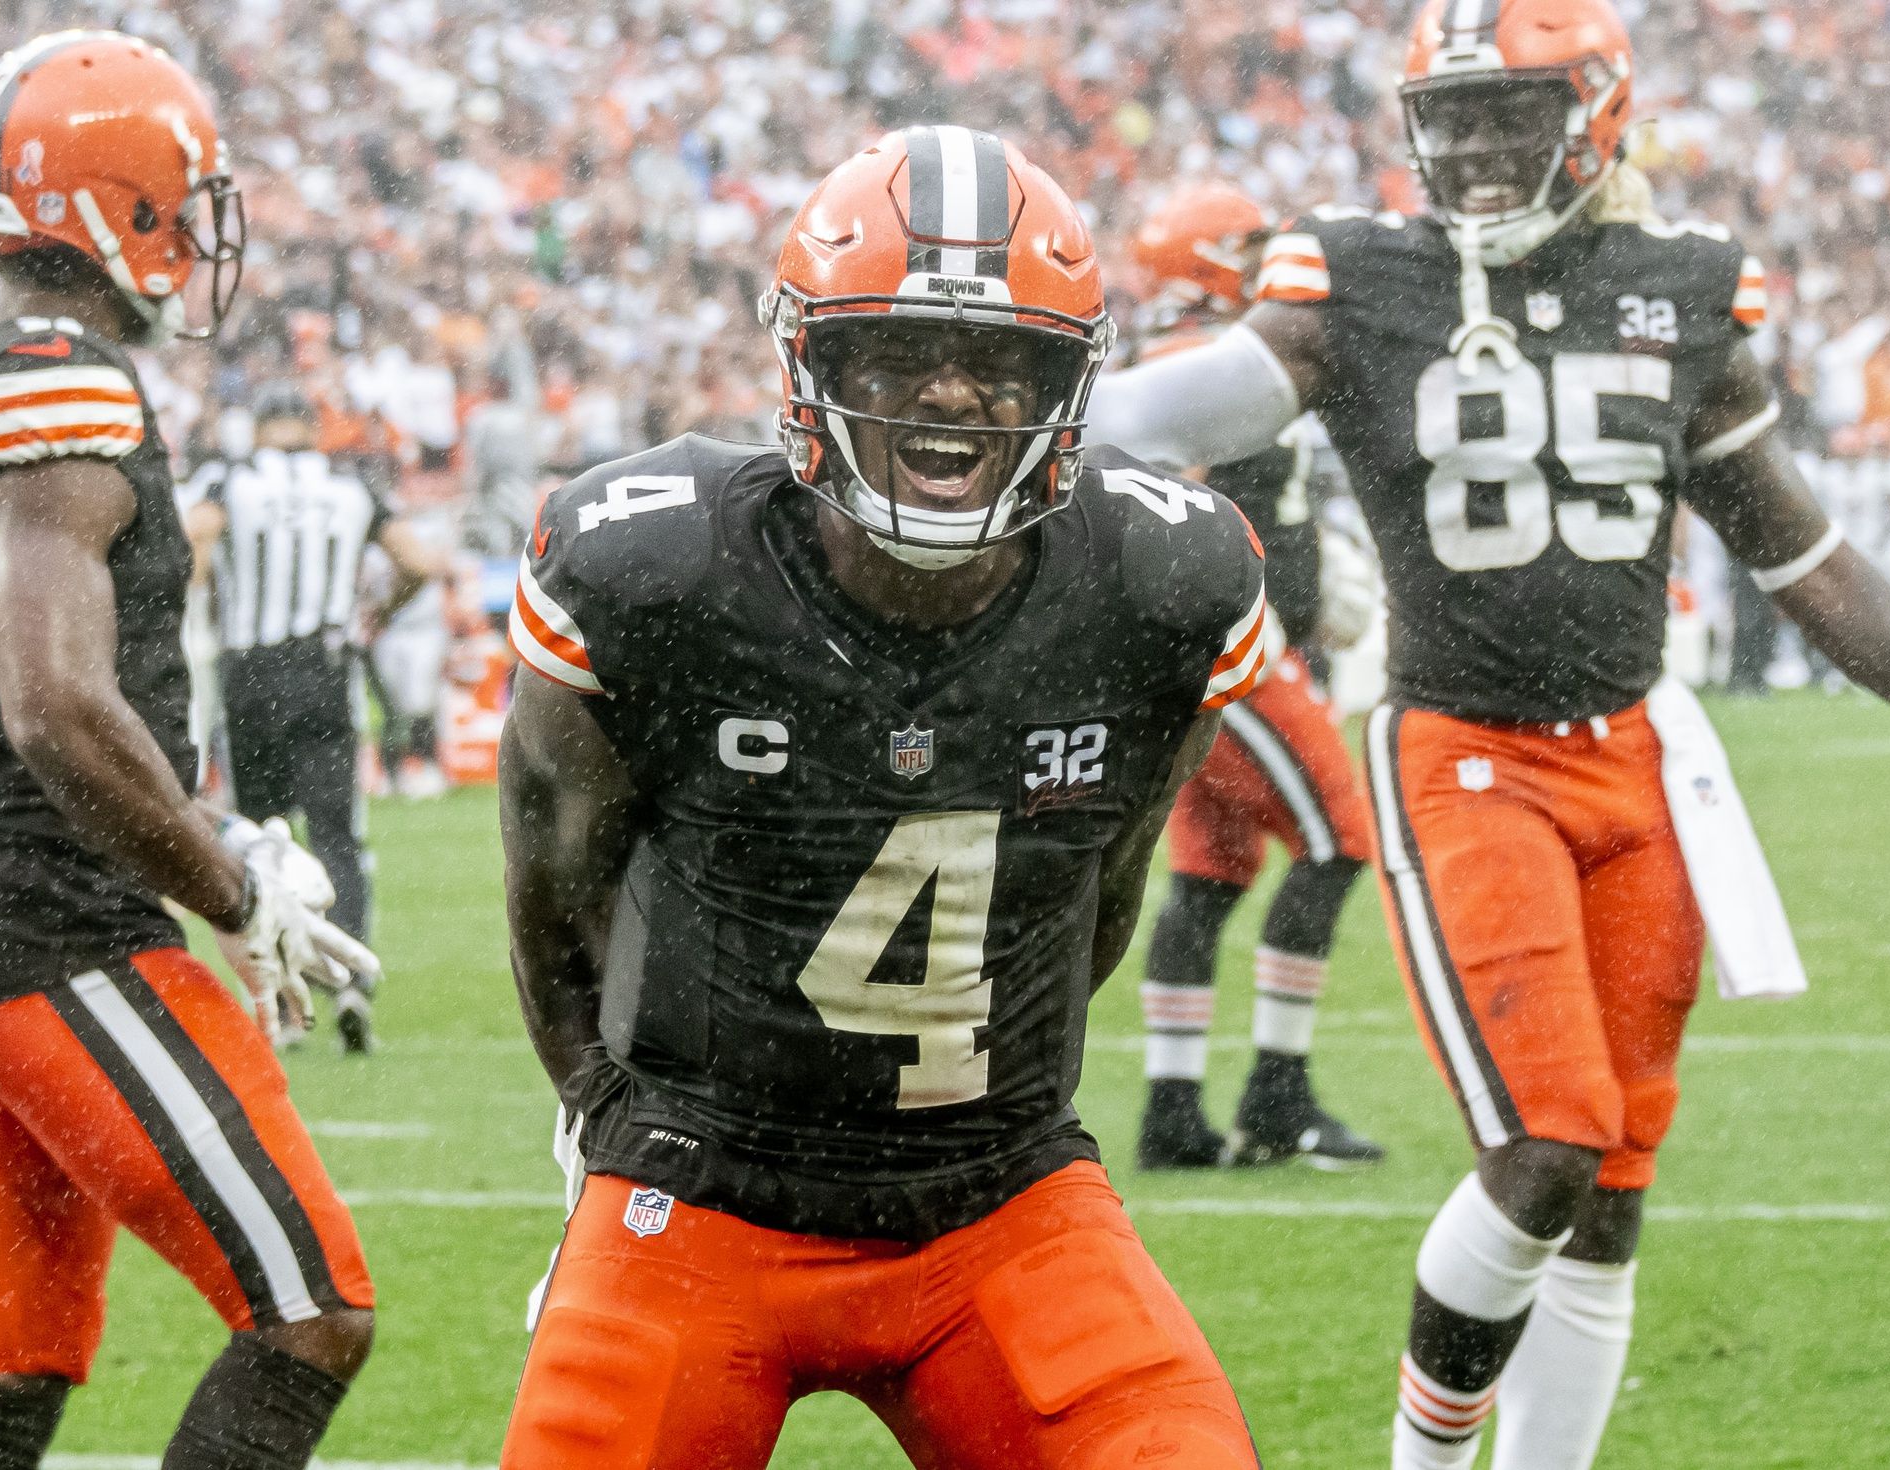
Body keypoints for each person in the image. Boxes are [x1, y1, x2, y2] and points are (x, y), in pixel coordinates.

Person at [1085, 3, 1890, 1467]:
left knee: (1612, 1185)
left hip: (1638, 760)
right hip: (1463, 753)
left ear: (1589, 111)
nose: (1467, 146)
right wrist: (1041, 411)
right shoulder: (1364, 277)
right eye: (1444, 116)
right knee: (1544, 1143)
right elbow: (1203, 397)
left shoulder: (1679, 287)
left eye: (1504, 111)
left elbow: (1802, 554)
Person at [498, 126, 1268, 1469]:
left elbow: (1107, 880)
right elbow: (552, 875)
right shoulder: (657, 572)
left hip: (999, 1192)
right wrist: (599, 1113)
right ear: (813, 363)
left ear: (1066, 385)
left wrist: (974, 1115)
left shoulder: (1160, 582)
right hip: (699, 1181)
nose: (952, 394)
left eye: (1000, 362)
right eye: (899, 354)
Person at [0, 33, 381, 1470]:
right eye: (182, 192)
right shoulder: (59, 379)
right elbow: (53, 706)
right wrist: (231, 886)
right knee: (311, 1308)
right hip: (46, 919)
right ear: (117, 202)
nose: (199, 227)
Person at [1118, 181, 1387, 1172]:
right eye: (1243, 248)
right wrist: (1258, 619)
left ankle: (1173, 1110)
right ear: (1205, 259)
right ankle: (1278, 1094)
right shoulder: (1192, 361)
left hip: (1216, 659)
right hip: (1233, 657)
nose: (1261, 262)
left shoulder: (1190, 348)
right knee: (1339, 840)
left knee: (1209, 875)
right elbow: (1167, 507)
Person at [185, 385, 445, 1052]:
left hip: (249, 673)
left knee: (261, 839)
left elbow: (199, 539)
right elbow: (418, 561)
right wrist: (376, 615)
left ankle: (280, 1001)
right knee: (338, 834)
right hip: (325, 670)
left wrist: (207, 601)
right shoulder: (349, 483)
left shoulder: (231, 476)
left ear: (259, 426)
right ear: (310, 428)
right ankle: (351, 979)